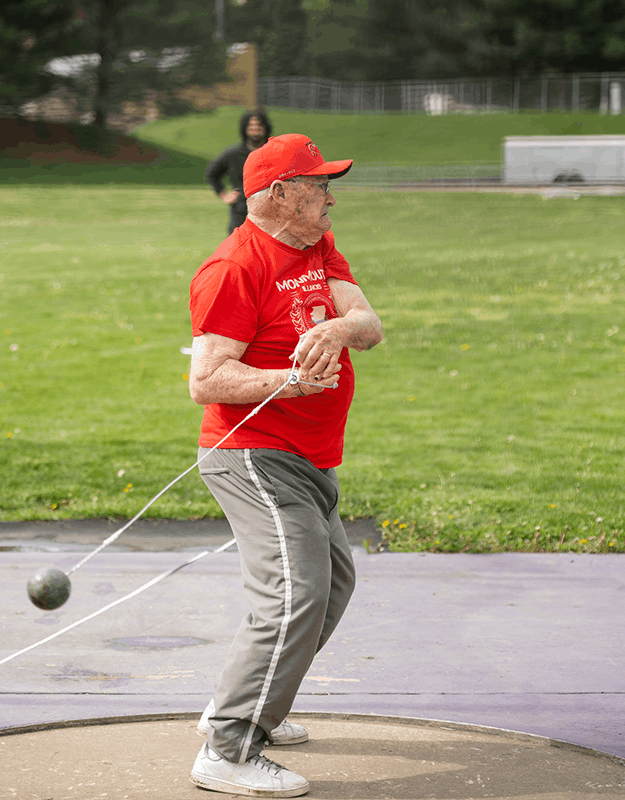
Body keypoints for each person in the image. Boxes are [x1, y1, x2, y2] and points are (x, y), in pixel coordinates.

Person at [186, 133, 384, 797]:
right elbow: (208, 380)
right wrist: (288, 383)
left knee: (330, 585)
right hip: (254, 459)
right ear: (277, 195)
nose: (330, 195)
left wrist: (335, 329)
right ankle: (229, 746)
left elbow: (369, 322)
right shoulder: (233, 268)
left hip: (311, 459)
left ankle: (243, 702)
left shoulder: (316, 245)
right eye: (318, 184)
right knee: (297, 592)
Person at [205, 108, 272, 235]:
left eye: (258, 125)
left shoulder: (274, 152)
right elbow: (212, 173)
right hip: (242, 212)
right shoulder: (233, 154)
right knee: (239, 250)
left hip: (271, 213)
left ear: (265, 127)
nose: (255, 129)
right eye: (251, 126)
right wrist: (224, 195)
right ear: (244, 129)